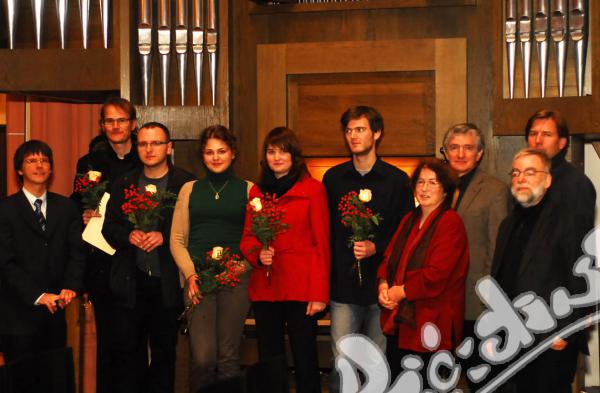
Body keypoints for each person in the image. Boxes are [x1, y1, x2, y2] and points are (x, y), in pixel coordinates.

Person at [322, 106, 414, 393]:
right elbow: (327, 233)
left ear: (377, 133)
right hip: (343, 290)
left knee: (376, 366)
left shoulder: (397, 180)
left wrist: (378, 247)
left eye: (360, 129)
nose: (353, 136)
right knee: (342, 363)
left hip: (381, 288)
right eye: (349, 130)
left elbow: (405, 234)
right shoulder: (333, 178)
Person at [102, 122, 196, 393]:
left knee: (165, 353)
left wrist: (165, 236)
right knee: (130, 355)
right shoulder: (124, 182)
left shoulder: (186, 183)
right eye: (143, 143)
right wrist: (128, 234)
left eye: (155, 143)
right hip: (131, 282)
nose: (149, 149)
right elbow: (108, 226)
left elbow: (196, 228)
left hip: (167, 282)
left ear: (169, 147)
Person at [240, 127, 330, 393]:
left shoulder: (313, 190)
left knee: (304, 357)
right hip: (267, 284)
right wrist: (258, 253)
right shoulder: (257, 192)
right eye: (271, 151)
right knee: (270, 358)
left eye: (283, 151)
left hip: (301, 286)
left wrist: (320, 293)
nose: (277, 157)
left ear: (295, 155)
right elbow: (247, 237)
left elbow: (322, 244)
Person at [491, 148, 588, 392]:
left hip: (550, 339)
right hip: (512, 340)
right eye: (516, 173)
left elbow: (583, 279)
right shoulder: (507, 224)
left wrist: (566, 332)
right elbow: (500, 280)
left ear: (547, 180)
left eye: (530, 172)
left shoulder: (568, 219)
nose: (520, 178)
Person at [170, 125, 252, 392]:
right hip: (198, 281)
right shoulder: (189, 190)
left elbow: (257, 241)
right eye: (209, 152)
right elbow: (177, 239)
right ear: (202, 156)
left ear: (233, 153)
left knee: (228, 358)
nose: (215, 157)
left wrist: (236, 270)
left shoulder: (249, 190)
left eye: (222, 151)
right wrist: (191, 275)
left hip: (235, 280)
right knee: (203, 358)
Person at [377, 159, 469, 385]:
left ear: (445, 189)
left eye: (433, 183)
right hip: (402, 320)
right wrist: (383, 286)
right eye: (420, 182)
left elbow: (437, 274)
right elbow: (388, 258)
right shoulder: (410, 218)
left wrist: (402, 291)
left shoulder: (450, 222)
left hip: (433, 322)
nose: (425, 188)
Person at [71, 96, 140, 393]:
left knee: (135, 340)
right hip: (102, 260)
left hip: (136, 258)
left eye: (121, 120)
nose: (115, 126)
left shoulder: (145, 156)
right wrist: (84, 211)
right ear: (102, 126)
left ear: (133, 124)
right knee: (109, 340)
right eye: (109, 121)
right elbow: (76, 202)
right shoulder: (89, 162)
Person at [0, 140, 85, 362]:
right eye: (32, 160)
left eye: (44, 160)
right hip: (17, 313)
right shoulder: (5, 210)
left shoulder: (67, 207)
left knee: (54, 378)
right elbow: (5, 262)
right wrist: (38, 295)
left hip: (56, 311)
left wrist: (71, 286)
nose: (39, 165)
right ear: (19, 169)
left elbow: (77, 251)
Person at [441, 123, 509, 391]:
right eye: (454, 147)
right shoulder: (434, 188)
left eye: (468, 148)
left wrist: (490, 300)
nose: (460, 154)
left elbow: (497, 249)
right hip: (440, 302)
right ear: (445, 151)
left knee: (480, 377)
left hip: (476, 302)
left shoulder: (494, 190)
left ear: (480, 153)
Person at [525, 109, 596, 233]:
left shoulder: (576, 184)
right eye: (533, 134)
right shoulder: (522, 179)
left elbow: (575, 240)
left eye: (547, 134)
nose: (538, 140)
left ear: (561, 143)